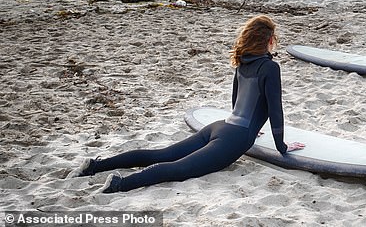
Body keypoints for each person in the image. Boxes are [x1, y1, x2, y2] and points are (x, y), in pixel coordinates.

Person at [69, 15, 305, 193]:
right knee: (180, 169)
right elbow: (275, 109)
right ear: (270, 40)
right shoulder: (270, 67)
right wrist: (281, 146)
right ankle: (120, 184)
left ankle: (95, 166)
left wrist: (251, 123)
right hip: (236, 137)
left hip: (220, 125)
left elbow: (237, 99)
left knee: (161, 154)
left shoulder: (243, 62)